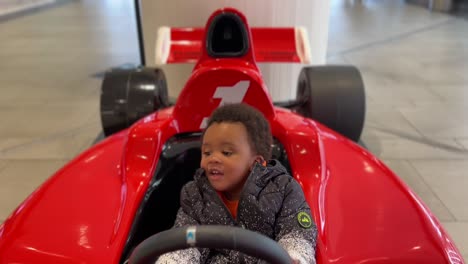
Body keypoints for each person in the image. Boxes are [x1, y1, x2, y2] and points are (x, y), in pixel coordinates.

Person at [156, 103, 317, 264]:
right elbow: (187, 240)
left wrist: (295, 256)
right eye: (207, 152)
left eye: (226, 152)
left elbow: (297, 232)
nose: (213, 158)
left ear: (256, 163)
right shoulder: (195, 196)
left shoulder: (284, 190)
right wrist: (173, 260)